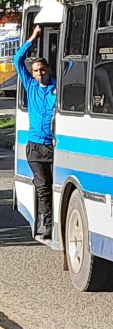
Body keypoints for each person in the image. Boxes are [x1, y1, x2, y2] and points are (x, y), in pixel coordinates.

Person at [14, 26, 56, 239]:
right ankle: (45, 226)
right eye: (36, 70)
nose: (40, 73)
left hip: (53, 145)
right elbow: (17, 60)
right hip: (35, 147)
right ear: (32, 74)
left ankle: (52, 222)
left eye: (43, 69)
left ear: (48, 69)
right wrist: (32, 38)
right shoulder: (30, 86)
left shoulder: (56, 89)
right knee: (42, 186)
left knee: (53, 186)